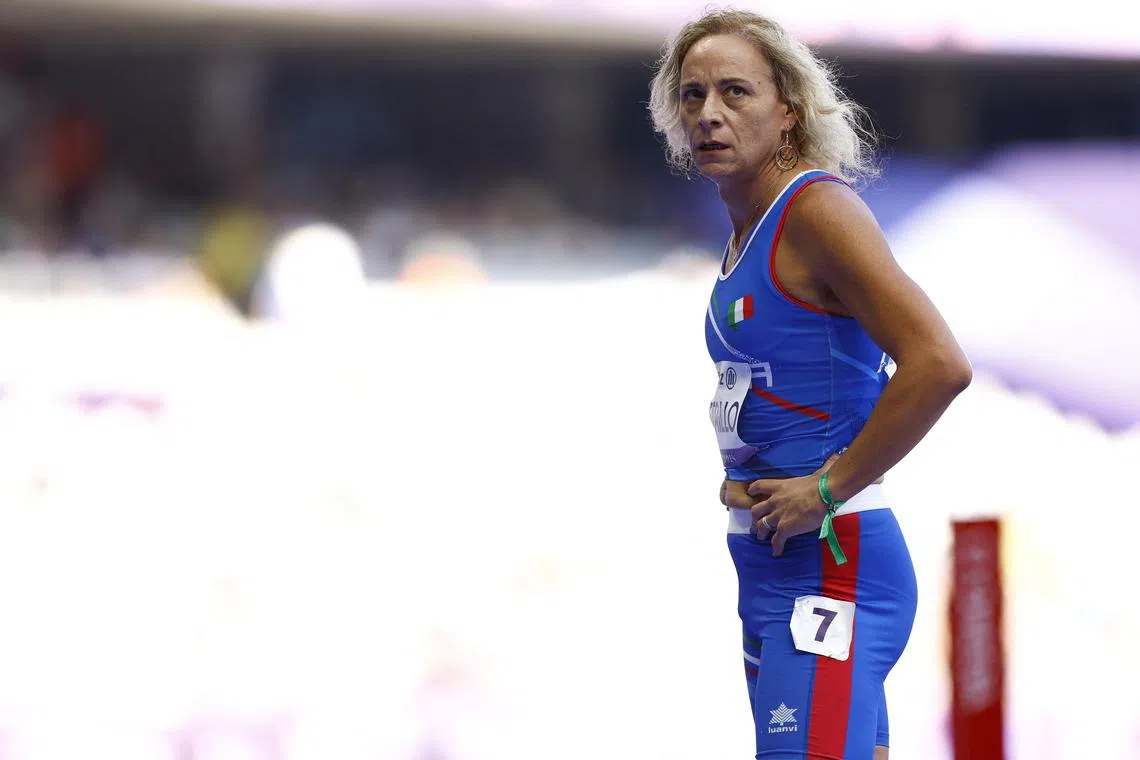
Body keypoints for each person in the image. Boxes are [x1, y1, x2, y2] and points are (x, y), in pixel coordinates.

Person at [648, 11, 972, 760]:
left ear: (788, 108)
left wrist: (823, 488)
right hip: (766, 566)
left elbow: (938, 364)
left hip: (833, 563)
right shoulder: (744, 229)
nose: (709, 115)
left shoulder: (818, 211)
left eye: (735, 92)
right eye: (692, 97)